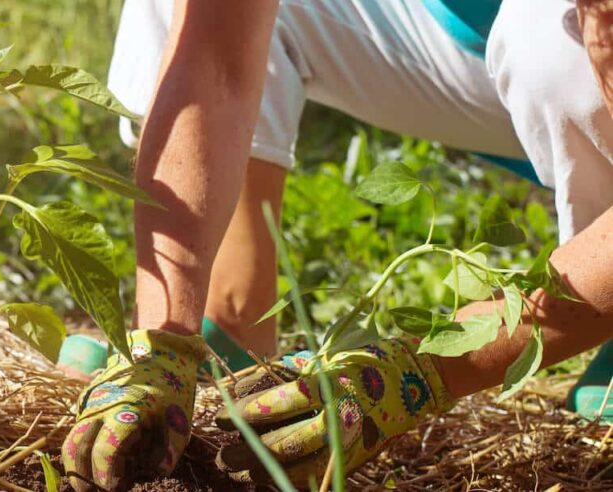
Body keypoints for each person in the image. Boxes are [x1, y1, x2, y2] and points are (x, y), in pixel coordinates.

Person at [60, 0, 613, 490]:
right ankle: (225, 325)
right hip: (463, 39)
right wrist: (161, 340)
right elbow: (215, 58)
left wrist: (420, 373)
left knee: (547, 43)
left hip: (565, 55)